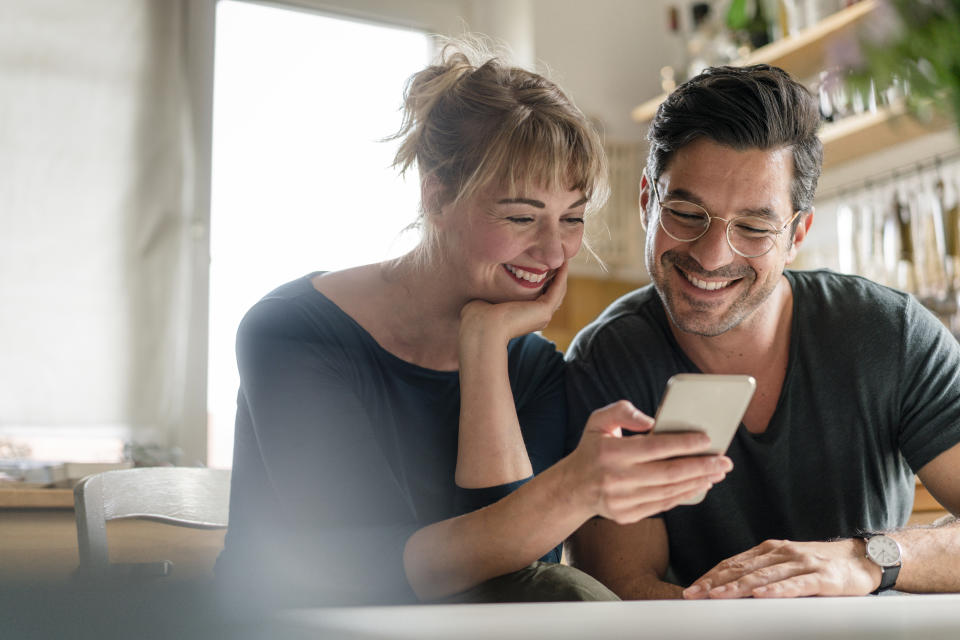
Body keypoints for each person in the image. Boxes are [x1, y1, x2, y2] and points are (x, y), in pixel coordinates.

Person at [215, 40, 732, 608]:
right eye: (520, 216)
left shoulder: (532, 368)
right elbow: (364, 571)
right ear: (437, 196)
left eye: (572, 219)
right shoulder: (290, 333)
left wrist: (484, 346)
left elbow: (515, 583)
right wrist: (569, 491)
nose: (554, 250)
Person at [564, 64, 960, 600]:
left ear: (797, 234)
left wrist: (863, 558)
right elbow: (629, 592)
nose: (711, 256)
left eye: (752, 227)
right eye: (686, 213)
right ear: (646, 203)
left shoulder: (890, 333)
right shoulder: (608, 359)